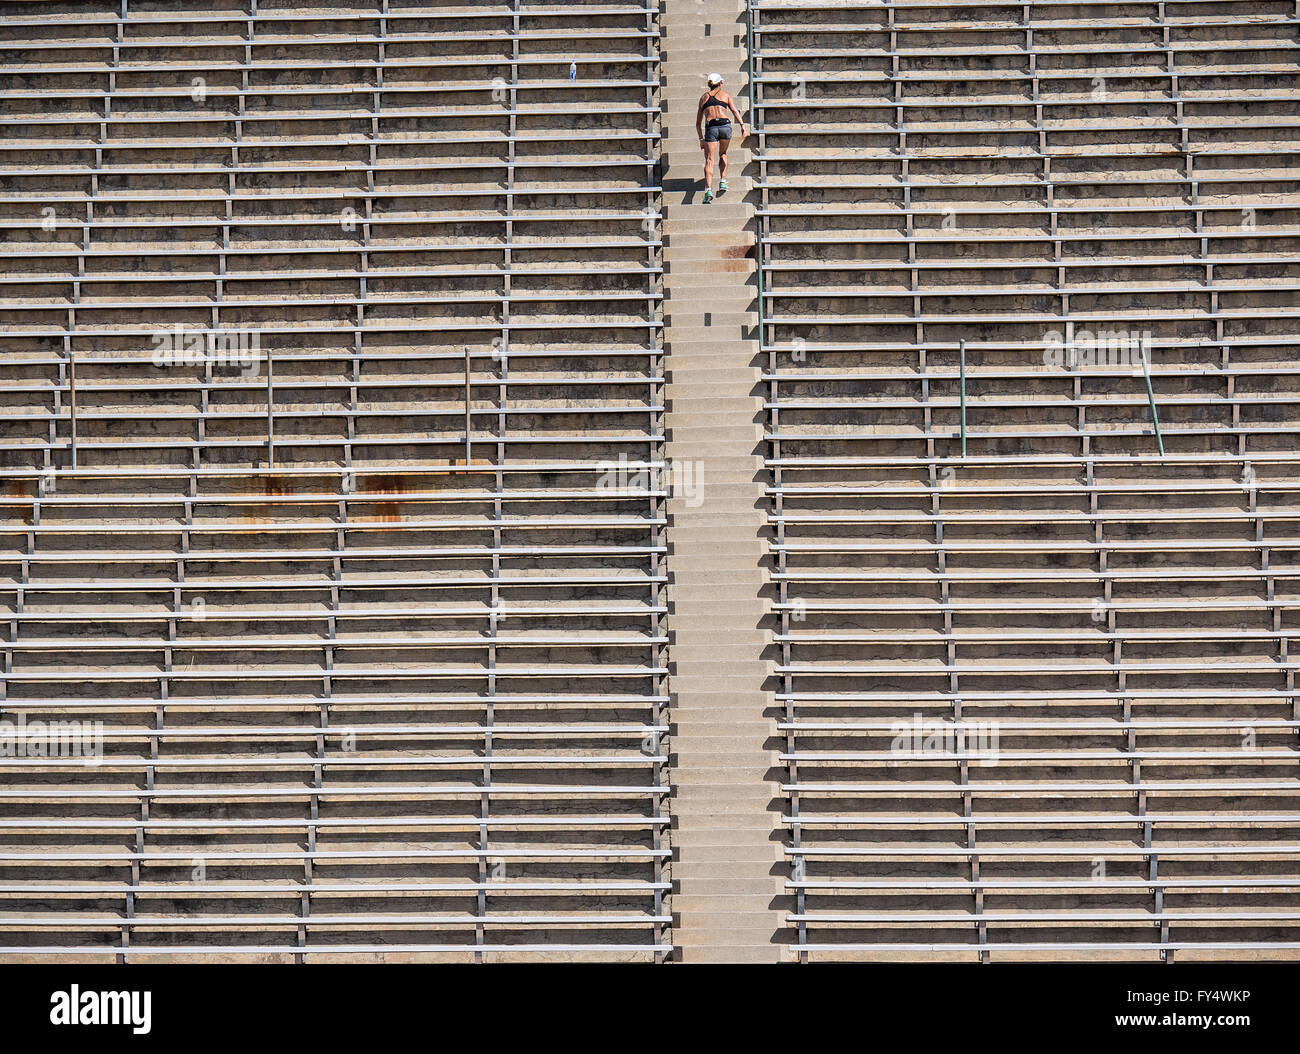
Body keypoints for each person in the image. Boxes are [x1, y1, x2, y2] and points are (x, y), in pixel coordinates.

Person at [696, 73, 745, 204]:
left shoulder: (703, 98)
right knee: (723, 153)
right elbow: (734, 111)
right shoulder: (725, 95)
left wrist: (701, 139)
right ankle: (722, 181)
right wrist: (742, 126)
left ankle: (708, 191)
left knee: (709, 160)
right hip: (725, 126)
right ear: (720, 83)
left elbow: (698, 123)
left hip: (711, 127)